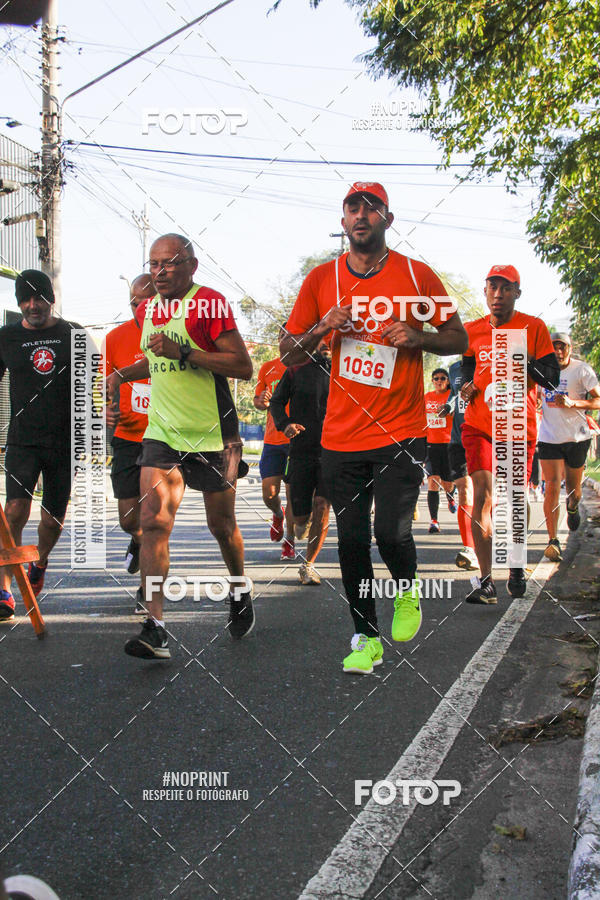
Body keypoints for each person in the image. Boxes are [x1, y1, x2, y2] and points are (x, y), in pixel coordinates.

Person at [280, 181, 467, 674]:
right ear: (343, 221)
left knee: (390, 532)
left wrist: (418, 335)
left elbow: (458, 336)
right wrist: (322, 327)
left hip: (401, 430)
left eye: (370, 208)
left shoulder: (415, 274)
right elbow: (288, 355)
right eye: (351, 208)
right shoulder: (321, 280)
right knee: (352, 540)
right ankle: (365, 636)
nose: (360, 215)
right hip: (340, 437)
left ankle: (407, 590)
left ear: (387, 218)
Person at [107, 234, 253, 659]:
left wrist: (185, 351)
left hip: (213, 432)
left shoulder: (210, 304)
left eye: (168, 264)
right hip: (163, 432)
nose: (159, 272)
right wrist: (122, 375)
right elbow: (158, 360)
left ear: (191, 264)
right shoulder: (151, 308)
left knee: (221, 527)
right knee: (153, 522)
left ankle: (240, 588)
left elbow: (242, 366)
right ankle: (155, 627)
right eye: (153, 265)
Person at [460, 265, 559, 604]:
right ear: (485, 291)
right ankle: (486, 581)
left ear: (518, 292)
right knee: (484, 496)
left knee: (515, 499)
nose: (498, 295)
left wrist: (520, 360)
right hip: (478, 426)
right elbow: (465, 371)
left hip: (517, 425)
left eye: (505, 289)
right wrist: (465, 386)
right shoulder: (472, 331)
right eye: (492, 288)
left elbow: (551, 378)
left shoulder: (534, 327)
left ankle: (516, 563)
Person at [0, 270, 82, 622]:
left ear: (51, 299)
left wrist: (92, 428)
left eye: (40, 298)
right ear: (19, 303)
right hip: (22, 439)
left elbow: (91, 385)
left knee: (52, 521)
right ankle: (3, 589)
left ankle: (40, 560)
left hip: (62, 443)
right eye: (26, 299)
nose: (33, 306)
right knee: (13, 513)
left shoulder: (72, 333)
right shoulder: (6, 336)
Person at [103, 273, 155, 613]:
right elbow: (105, 385)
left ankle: (146, 590)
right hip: (126, 437)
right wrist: (106, 412)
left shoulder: (173, 333)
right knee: (129, 518)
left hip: (161, 439)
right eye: (134, 301)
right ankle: (136, 541)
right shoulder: (115, 338)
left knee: (154, 518)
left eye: (146, 300)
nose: (139, 306)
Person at [270, 338, 331, 584]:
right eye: (323, 339)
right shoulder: (296, 370)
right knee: (301, 519)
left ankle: (309, 565)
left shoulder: (346, 373)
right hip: (302, 450)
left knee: (323, 504)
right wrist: (285, 425)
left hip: (333, 451)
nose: (327, 344)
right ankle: (299, 524)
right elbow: (276, 402)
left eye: (332, 340)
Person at [538, 332, 600, 561]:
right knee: (552, 485)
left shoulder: (581, 370)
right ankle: (552, 540)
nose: (558, 351)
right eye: (554, 347)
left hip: (576, 438)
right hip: (549, 437)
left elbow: (598, 400)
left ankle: (573, 506)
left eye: (562, 347)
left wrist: (574, 403)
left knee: (574, 491)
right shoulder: (541, 370)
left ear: (570, 349)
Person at [254, 343, 295, 559]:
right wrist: (261, 401)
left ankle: (289, 541)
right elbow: (258, 401)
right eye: (282, 336)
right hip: (273, 440)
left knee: (292, 495)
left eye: (289, 336)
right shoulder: (268, 367)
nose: (284, 340)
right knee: (269, 493)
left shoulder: (305, 367)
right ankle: (277, 514)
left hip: (297, 441)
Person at [437, 359, 477, 570]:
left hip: (484, 437)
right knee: (465, 490)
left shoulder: (488, 364)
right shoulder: (454, 368)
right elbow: (455, 396)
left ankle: (484, 540)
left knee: (486, 496)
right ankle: (469, 548)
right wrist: (448, 406)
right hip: (458, 439)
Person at [423, 368, 457, 533]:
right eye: (435, 378)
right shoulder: (427, 398)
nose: (439, 381)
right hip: (431, 445)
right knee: (433, 481)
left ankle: (451, 496)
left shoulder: (452, 397)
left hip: (448, 444)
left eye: (443, 378)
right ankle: (434, 521)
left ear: (448, 381)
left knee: (447, 483)